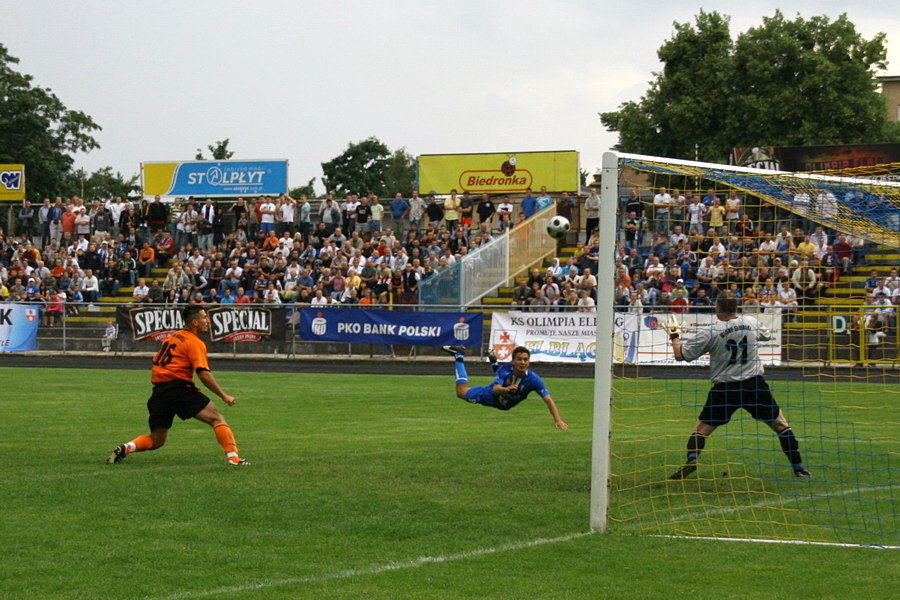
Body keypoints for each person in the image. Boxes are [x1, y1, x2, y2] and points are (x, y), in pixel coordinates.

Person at [667, 293, 810, 479]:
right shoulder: (749, 321)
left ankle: (692, 459)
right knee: (781, 425)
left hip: (725, 388)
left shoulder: (711, 331)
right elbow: (766, 337)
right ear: (737, 308)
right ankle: (798, 468)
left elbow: (680, 355)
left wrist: (675, 335)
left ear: (718, 308)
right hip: (754, 385)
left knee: (701, 429)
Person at [106, 305, 250, 466]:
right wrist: (224, 395)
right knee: (217, 418)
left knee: (157, 440)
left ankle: (126, 447)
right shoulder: (195, 342)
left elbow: (157, 362)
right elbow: (203, 373)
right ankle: (234, 459)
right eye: (204, 317)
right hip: (179, 389)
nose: (208, 321)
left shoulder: (173, 336)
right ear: (195, 322)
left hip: (159, 392)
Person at [440, 344, 567, 430]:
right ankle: (459, 355)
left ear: (529, 362)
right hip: (489, 396)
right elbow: (495, 390)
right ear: (513, 361)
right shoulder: (507, 369)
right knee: (460, 391)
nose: (523, 362)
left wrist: (558, 420)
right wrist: (506, 389)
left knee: (499, 373)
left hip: (505, 404)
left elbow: (548, 400)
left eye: (525, 360)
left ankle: (493, 359)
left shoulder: (534, 380)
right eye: (519, 359)